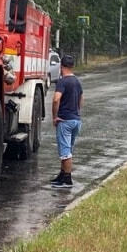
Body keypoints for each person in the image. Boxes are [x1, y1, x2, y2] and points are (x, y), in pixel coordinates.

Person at [49, 53, 82, 188]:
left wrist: (54, 116)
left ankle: (67, 179)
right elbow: (81, 98)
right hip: (76, 120)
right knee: (68, 149)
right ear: (72, 66)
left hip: (65, 120)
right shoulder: (77, 81)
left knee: (65, 151)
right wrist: (77, 112)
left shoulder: (63, 81)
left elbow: (56, 99)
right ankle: (62, 175)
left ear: (61, 67)